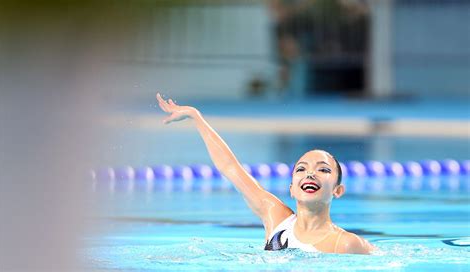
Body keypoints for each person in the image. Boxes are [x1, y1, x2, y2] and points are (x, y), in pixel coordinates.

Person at [156, 93, 374, 254]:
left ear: (338, 190)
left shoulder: (345, 244)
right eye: (301, 169)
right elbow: (231, 169)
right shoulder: (276, 218)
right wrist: (196, 117)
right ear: (291, 188)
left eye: (323, 169)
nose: (310, 174)